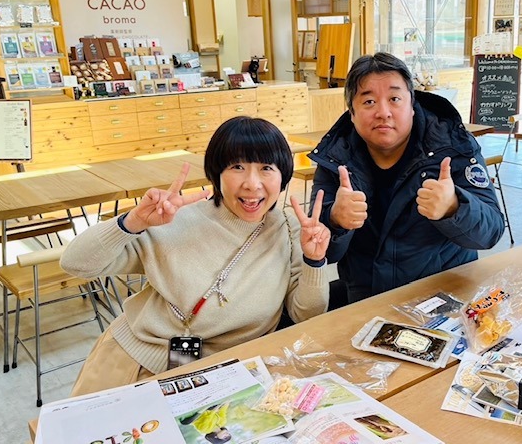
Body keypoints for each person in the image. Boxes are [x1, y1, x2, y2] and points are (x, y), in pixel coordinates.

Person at [61, 116, 330, 395]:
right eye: (237, 167)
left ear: (283, 175)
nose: (252, 184)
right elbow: (75, 264)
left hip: (230, 377)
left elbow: (306, 313)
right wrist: (133, 222)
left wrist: (314, 261)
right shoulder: (173, 219)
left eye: (266, 168)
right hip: (135, 360)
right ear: (216, 173)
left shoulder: (288, 229)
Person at [309, 52, 505, 304]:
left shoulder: (452, 145)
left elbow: (491, 232)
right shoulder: (336, 157)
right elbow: (323, 252)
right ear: (352, 113)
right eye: (368, 101)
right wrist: (336, 221)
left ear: (412, 105)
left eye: (394, 99)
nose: (383, 112)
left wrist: (454, 207)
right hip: (367, 300)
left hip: (444, 296)